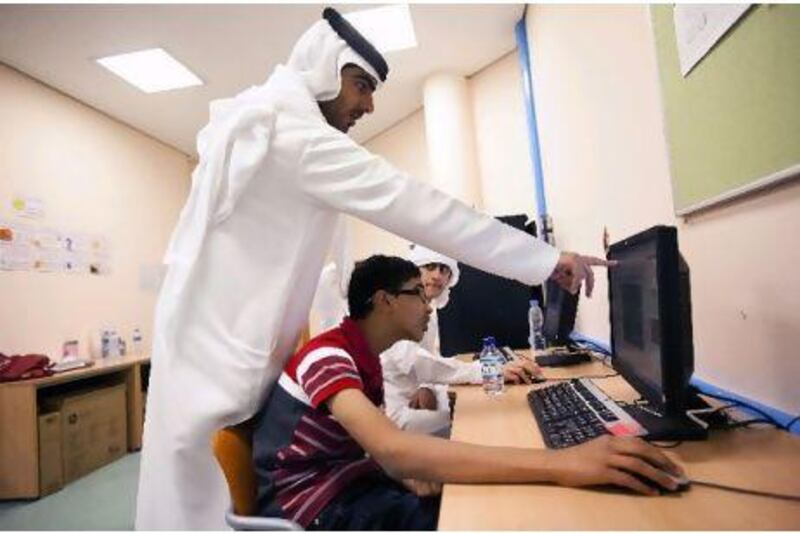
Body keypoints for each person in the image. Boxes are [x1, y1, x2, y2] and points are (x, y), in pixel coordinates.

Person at [136, 7, 612, 530]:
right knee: (188, 505)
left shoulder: (281, 132)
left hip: (229, 369)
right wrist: (546, 260)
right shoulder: (290, 136)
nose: (367, 104)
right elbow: (420, 205)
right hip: (214, 374)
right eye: (360, 85)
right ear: (321, 70)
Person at [253, 255, 685, 530]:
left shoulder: (361, 355)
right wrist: (561, 462)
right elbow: (389, 447)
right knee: (483, 518)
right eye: (418, 294)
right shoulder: (328, 356)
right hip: (312, 508)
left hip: (347, 486)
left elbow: (373, 450)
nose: (428, 304)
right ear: (384, 301)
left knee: (486, 499)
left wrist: (399, 471)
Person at [381, 244, 540, 436]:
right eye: (430, 267)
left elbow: (428, 357)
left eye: (444, 269)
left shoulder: (428, 313)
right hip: (395, 417)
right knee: (476, 416)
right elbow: (417, 362)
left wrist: (426, 386)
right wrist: (488, 370)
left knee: (483, 402)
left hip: (413, 399)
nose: (437, 276)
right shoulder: (399, 310)